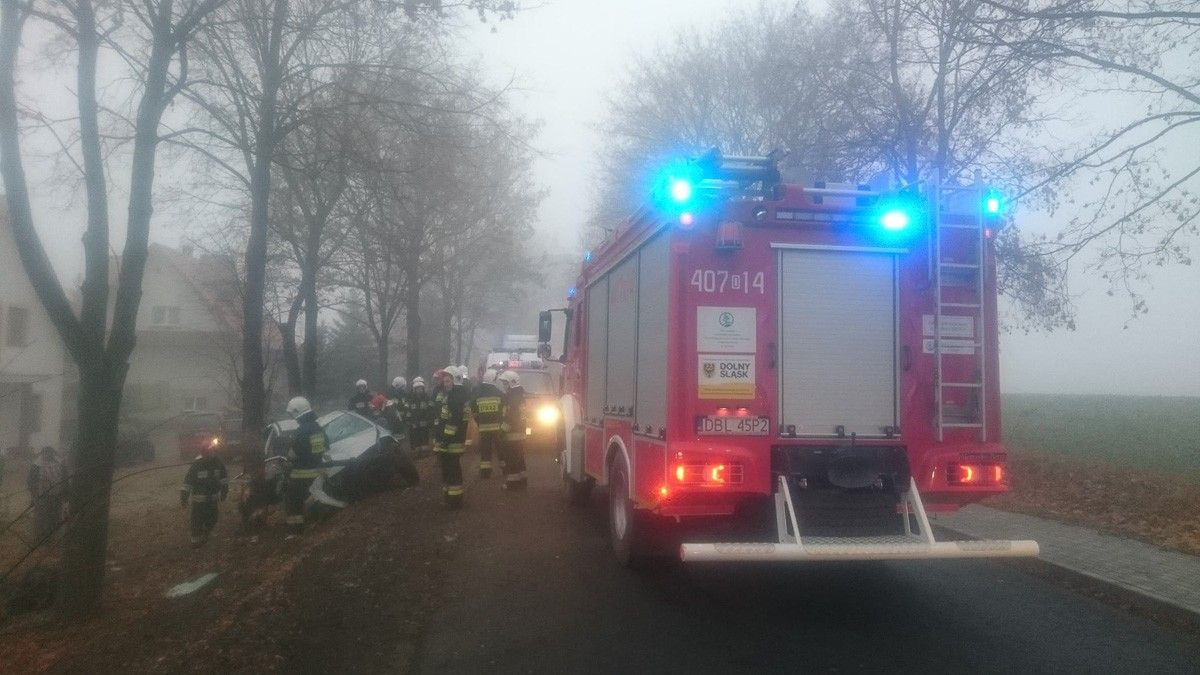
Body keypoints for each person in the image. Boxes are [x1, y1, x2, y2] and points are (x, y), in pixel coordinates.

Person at [286, 396, 329, 533]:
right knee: (313, 500)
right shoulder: (318, 427)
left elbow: (293, 454)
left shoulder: (301, 431)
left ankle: (295, 530)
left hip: (300, 475)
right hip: (318, 474)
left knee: (292, 502)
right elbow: (326, 446)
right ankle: (316, 525)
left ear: (297, 412)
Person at [180, 440, 228, 547]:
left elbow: (223, 478)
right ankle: (195, 542)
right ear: (202, 453)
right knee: (197, 521)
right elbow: (188, 482)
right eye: (205, 452)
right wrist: (184, 496)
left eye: (209, 452)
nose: (208, 455)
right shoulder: (196, 464)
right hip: (199, 502)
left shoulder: (218, 462)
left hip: (212, 500)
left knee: (213, 518)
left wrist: (224, 490)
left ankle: (206, 533)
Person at [434, 366, 469, 507]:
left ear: (456, 381)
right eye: (445, 381)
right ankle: (449, 497)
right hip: (448, 441)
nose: (445, 384)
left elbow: (453, 422)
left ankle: (454, 501)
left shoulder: (456, 397)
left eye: (448, 381)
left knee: (452, 470)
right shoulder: (453, 395)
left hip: (451, 442)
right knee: (448, 469)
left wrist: (444, 440)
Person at [26, 446, 68, 545]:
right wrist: (34, 495)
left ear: (53, 454)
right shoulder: (36, 465)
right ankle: (40, 539)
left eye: (50, 453)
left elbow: (65, 479)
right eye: (46, 453)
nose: (48, 455)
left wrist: (65, 494)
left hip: (57, 496)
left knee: (55, 516)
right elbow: (31, 481)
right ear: (43, 453)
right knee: (41, 518)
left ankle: (52, 537)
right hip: (42, 497)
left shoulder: (60, 464)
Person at [469, 369, 505, 479]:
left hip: (483, 428)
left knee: (485, 451)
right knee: (501, 449)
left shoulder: (477, 394)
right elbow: (504, 411)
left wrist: (479, 423)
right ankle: (505, 469)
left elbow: (473, 410)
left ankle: (485, 473)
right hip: (498, 428)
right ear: (493, 379)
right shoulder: (499, 394)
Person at [497, 370, 529, 490]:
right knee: (519, 457)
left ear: (512, 383)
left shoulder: (512, 397)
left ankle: (513, 484)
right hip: (519, 432)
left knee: (511, 458)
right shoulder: (518, 395)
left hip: (512, 433)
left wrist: (502, 431)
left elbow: (511, 417)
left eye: (505, 383)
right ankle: (522, 480)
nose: (504, 386)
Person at [407, 377, 433, 454]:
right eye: (418, 389)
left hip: (424, 423)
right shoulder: (411, 399)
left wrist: (429, 419)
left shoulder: (427, 398)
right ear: (414, 389)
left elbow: (430, 409)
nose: (420, 390)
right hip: (414, 423)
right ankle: (416, 452)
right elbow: (408, 410)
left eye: (421, 389)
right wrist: (408, 420)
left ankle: (424, 452)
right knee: (415, 437)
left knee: (425, 437)